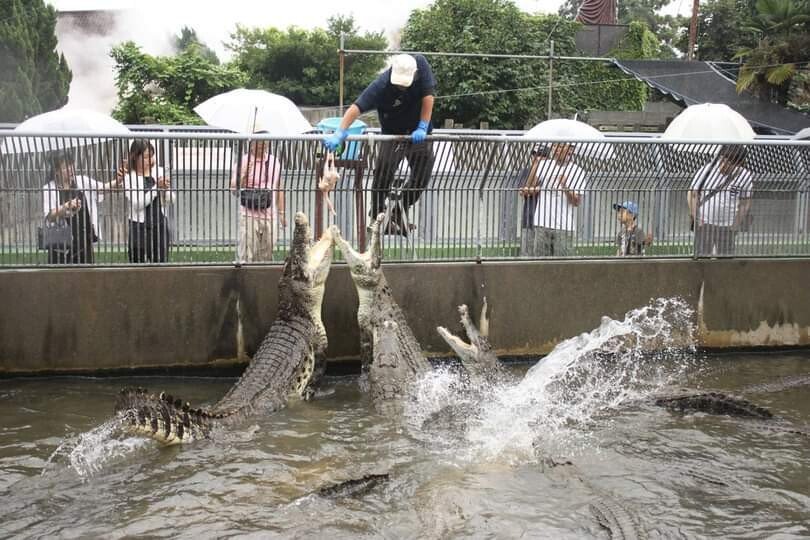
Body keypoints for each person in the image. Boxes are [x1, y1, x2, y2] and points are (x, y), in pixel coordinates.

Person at [323, 53, 436, 235]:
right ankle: (377, 215)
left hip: (419, 134)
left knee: (422, 176)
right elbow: (356, 107)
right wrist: (340, 132)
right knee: (383, 172)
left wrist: (423, 126)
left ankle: (399, 211)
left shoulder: (420, 64)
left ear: (415, 75)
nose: (401, 87)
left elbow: (428, 97)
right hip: (393, 133)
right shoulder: (382, 85)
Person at [41, 151, 115, 264]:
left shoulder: (82, 181)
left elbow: (102, 188)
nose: (70, 169)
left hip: (83, 242)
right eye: (65, 167)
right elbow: (49, 216)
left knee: (86, 272)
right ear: (56, 171)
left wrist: (119, 179)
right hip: (60, 244)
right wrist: (66, 206)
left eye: (71, 164)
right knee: (60, 273)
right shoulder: (48, 188)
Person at [688, 145, 753, 256]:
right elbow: (693, 194)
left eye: (729, 164)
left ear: (738, 164)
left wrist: (735, 225)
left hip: (728, 225)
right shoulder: (707, 170)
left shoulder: (744, 175)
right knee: (702, 257)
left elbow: (745, 202)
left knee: (726, 258)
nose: (723, 166)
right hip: (705, 222)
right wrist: (697, 219)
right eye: (722, 161)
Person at [230, 135, 287, 262]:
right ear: (251, 144)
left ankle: (263, 274)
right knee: (247, 254)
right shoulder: (243, 161)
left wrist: (282, 213)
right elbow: (233, 189)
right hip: (248, 214)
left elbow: (279, 187)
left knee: (267, 253)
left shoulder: (274, 161)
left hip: (270, 214)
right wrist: (243, 175)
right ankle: (246, 272)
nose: (262, 145)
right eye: (258, 142)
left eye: (264, 142)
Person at [117, 139, 174, 263]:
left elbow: (171, 199)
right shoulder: (129, 177)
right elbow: (137, 204)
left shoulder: (159, 171)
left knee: (161, 263)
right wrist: (156, 188)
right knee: (137, 264)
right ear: (134, 157)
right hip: (138, 227)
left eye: (152, 156)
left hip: (159, 225)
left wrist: (165, 189)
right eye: (146, 157)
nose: (150, 160)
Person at [530, 142, 588, 256]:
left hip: (563, 226)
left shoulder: (577, 171)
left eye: (561, 146)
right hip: (542, 223)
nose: (556, 149)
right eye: (554, 145)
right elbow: (529, 187)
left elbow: (576, 202)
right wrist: (535, 165)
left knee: (563, 263)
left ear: (570, 150)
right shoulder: (544, 165)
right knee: (540, 263)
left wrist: (564, 186)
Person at [518, 144, 552, 256]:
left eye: (542, 155)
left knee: (543, 255)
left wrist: (534, 189)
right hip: (529, 218)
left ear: (548, 158)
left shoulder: (552, 173)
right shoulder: (526, 171)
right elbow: (523, 191)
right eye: (535, 154)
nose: (538, 158)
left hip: (547, 221)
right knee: (526, 254)